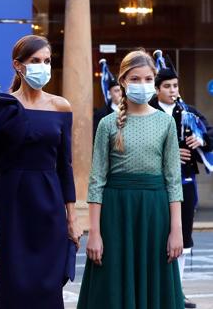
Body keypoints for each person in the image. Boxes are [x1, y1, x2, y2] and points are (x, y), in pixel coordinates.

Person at [0, 35, 81, 309]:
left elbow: (65, 166)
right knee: (15, 289)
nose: (42, 66)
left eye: (47, 61)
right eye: (35, 61)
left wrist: (72, 218)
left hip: (50, 206)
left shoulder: (61, 107)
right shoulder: (1, 106)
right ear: (18, 65)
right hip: (12, 207)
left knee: (49, 289)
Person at [78, 50, 184, 309]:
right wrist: (94, 233)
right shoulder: (107, 124)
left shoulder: (165, 123)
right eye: (135, 79)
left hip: (155, 215)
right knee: (113, 286)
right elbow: (97, 181)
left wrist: (176, 230)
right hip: (116, 215)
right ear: (123, 81)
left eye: (148, 79)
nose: (143, 85)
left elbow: (173, 180)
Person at [149, 56, 212, 309]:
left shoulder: (188, 111)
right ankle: (153, 289)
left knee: (182, 236)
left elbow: (209, 135)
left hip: (185, 181)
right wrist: (172, 151)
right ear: (157, 89)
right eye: (167, 86)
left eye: (175, 86)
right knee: (155, 235)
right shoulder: (147, 111)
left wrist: (202, 140)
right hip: (154, 182)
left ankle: (177, 291)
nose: (173, 90)